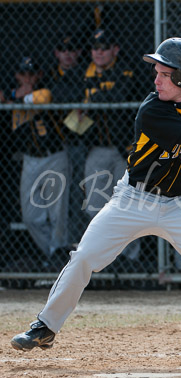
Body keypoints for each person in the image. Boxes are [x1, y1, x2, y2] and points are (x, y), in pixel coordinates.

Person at [10, 37, 181, 366]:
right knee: (83, 257)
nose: (156, 79)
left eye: (165, 74)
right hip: (133, 199)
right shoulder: (153, 108)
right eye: (158, 72)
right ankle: (46, 326)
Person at [0, 57, 71, 269]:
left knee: (57, 214)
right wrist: (13, 95)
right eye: (24, 74)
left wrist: (15, 99)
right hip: (30, 159)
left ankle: (58, 261)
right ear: (17, 76)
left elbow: (43, 98)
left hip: (54, 156)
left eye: (32, 74)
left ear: (39, 75)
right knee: (31, 216)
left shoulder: (47, 89)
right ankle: (53, 255)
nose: (28, 78)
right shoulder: (12, 92)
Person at [79, 28, 141, 261]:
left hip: (125, 149)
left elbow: (118, 96)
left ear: (114, 49)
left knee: (127, 205)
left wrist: (92, 99)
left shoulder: (125, 71)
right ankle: (104, 257)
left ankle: (130, 259)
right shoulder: (84, 73)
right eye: (95, 48)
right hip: (97, 148)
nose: (100, 52)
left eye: (105, 48)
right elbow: (72, 92)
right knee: (93, 205)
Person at [49, 32, 88, 244]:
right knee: (59, 197)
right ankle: (58, 248)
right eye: (63, 51)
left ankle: (79, 241)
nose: (67, 55)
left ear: (79, 52)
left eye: (71, 50)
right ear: (56, 53)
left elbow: (84, 96)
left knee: (79, 193)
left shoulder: (85, 73)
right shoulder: (49, 74)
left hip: (80, 142)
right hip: (55, 144)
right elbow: (53, 94)